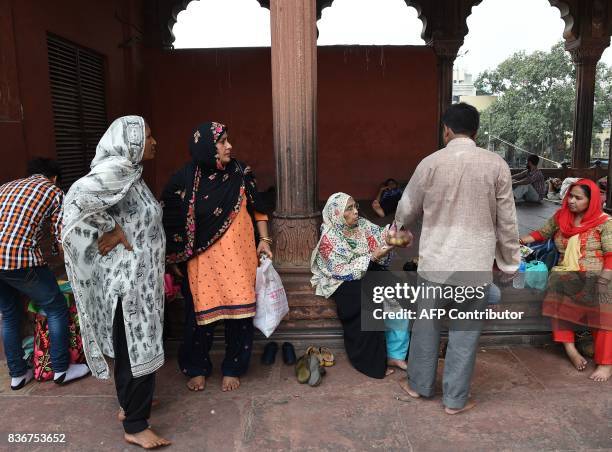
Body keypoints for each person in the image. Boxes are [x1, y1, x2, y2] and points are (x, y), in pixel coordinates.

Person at [391, 102, 520, 414]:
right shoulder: (496, 165)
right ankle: (455, 401)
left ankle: (418, 386)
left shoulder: (431, 163)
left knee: (426, 329)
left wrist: (399, 229)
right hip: (474, 267)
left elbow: (407, 208)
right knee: (465, 334)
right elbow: (507, 221)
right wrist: (509, 264)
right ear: (475, 131)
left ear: (446, 129)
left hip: (435, 265)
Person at [62, 116, 170, 449]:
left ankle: (129, 409)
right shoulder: (117, 169)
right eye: (148, 136)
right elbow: (77, 198)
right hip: (131, 283)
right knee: (138, 348)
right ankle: (136, 425)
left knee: (130, 349)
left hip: (141, 283)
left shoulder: (130, 173)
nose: (154, 142)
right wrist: (109, 228)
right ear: (131, 140)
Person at [162, 122, 272, 393]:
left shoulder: (240, 172)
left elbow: (258, 208)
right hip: (202, 262)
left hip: (240, 258)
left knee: (241, 315)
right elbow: (169, 213)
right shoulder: (185, 178)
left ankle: (233, 366)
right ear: (206, 148)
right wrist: (175, 257)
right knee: (199, 317)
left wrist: (265, 241)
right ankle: (197, 367)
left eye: (227, 140)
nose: (229, 146)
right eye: (222, 142)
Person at [0, 158, 89, 390]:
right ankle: (61, 369)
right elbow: (61, 236)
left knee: (9, 314)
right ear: (55, 177)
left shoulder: (6, 187)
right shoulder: (54, 191)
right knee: (55, 306)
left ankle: (18, 375)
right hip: (19, 259)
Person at [519, 179, 612, 382]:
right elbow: (541, 234)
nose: (571, 201)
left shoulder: (605, 222)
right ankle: (570, 350)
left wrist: (603, 282)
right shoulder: (562, 216)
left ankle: (605, 364)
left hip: (598, 276)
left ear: (592, 200)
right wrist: (519, 241)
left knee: (604, 315)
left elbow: (610, 255)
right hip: (566, 274)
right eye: (570, 195)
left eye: (578, 198)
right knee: (556, 300)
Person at [311, 192, 410, 378]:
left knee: (399, 294)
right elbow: (340, 270)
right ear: (337, 213)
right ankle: (371, 361)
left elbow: (381, 235)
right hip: (341, 280)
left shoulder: (362, 225)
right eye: (349, 208)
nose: (356, 211)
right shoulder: (329, 238)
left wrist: (394, 235)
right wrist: (372, 257)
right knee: (369, 304)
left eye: (355, 206)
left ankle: (395, 354)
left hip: (367, 268)